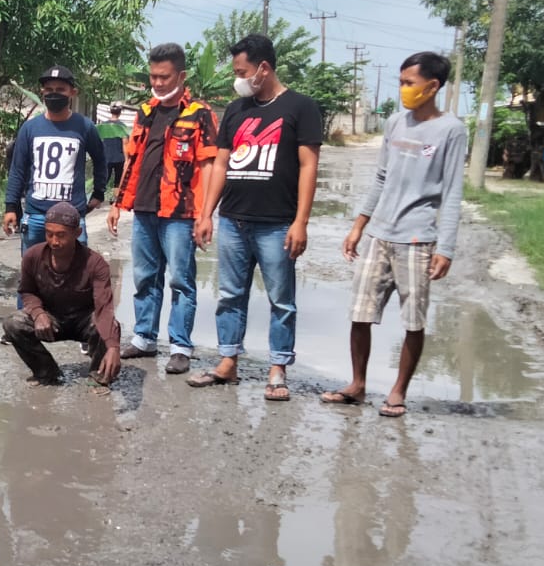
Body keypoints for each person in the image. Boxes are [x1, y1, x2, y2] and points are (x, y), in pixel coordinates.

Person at [323, 52, 466, 418]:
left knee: (413, 320)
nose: (403, 90)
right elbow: (381, 179)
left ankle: (398, 391)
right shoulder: (394, 124)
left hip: (417, 239)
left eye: (409, 83)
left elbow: (451, 193)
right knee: (360, 313)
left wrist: (445, 248)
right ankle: (357, 385)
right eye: (401, 82)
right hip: (380, 234)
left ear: (432, 87)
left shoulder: (451, 130)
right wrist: (358, 226)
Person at [188, 34, 322, 399]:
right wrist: (206, 214)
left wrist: (301, 222)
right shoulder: (236, 109)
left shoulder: (300, 107)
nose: (238, 78)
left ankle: (277, 369)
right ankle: (228, 362)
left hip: (277, 222)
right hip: (233, 219)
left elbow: (309, 166)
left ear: (264, 68)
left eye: (242, 71)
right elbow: (221, 163)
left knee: (281, 299)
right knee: (230, 295)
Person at [107, 43, 219, 375]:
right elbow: (132, 160)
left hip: (181, 214)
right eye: (153, 76)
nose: (157, 83)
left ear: (181, 76)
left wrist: (206, 214)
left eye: (164, 76)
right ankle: (144, 338)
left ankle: (180, 345)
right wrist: (117, 204)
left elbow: (210, 166)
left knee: (182, 281)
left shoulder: (200, 113)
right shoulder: (145, 111)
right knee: (145, 277)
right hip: (144, 209)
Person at [2, 202, 121, 386]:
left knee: (109, 325)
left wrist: (113, 347)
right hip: (51, 320)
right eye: (49, 234)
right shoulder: (33, 256)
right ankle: (47, 372)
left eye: (61, 235)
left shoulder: (96, 264)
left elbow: (104, 307)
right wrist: (38, 313)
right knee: (13, 323)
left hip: (83, 322)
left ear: (77, 233)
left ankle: (98, 376)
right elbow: (27, 291)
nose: (54, 241)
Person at [2, 65, 108, 246]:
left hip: (71, 217)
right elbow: (18, 169)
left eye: (60, 90)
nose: (54, 94)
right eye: (49, 89)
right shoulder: (30, 128)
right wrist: (11, 206)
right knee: (34, 271)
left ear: (72, 92)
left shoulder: (84, 126)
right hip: (36, 216)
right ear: (42, 92)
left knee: (75, 272)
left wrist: (98, 192)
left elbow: (100, 160)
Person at [97, 104, 128, 189]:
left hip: (106, 157)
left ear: (110, 112)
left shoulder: (103, 125)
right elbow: (125, 143)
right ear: (120, 112)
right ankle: (115, 200)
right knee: (118, 182)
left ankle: (97, 199)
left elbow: (98, 142)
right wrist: (126, 159)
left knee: (103, 180)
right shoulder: (122, 126)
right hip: (119, 158)